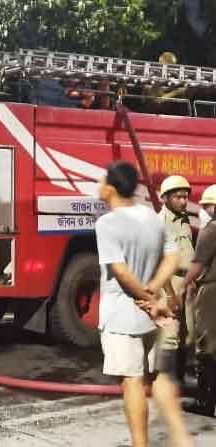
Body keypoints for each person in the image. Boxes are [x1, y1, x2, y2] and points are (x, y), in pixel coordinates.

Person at [95, 161, 192, 447]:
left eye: (102, 181)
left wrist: (146, 298)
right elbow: (172, 258)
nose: (99, 186)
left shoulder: (107, 223)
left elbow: (121, 272)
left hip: (122, 318)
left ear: (111, 188)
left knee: (132, 383)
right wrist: (154, 293)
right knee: (149, 379)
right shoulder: (151, 216)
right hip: (151, 319)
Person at [180, 185, 216, 417]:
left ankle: (205, 402)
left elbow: (198, 263)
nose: (203, 210)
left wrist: (184, 284)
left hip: (211, 290)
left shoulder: (211, 229)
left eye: (206, 206)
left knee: (207, 345)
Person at [157, 175, 195, 380]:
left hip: (186, 283)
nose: (183, 201)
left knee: (187, 336)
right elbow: (160, 263)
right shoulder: (160, 222)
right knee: (169, 336)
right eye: (178, 197)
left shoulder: (184, 219)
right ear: (166, 198)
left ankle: (178, 380)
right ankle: (166, 384)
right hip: (170, 284)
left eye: (186, 197)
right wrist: (170, 295)